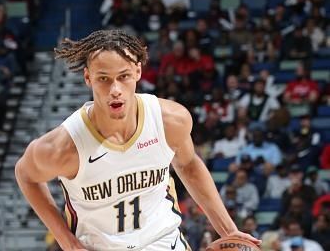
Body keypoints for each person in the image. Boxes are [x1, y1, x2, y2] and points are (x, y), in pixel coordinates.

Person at [15, 30, 260, 250]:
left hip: (165, 242)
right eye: (104, 78)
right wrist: (67, 242)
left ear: (138, 72)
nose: (115, 89)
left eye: (123, 76)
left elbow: (188, 165)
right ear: (87, 78)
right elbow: (25, 175)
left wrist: (229, 230)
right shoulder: (64, 146)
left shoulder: (169, 121)